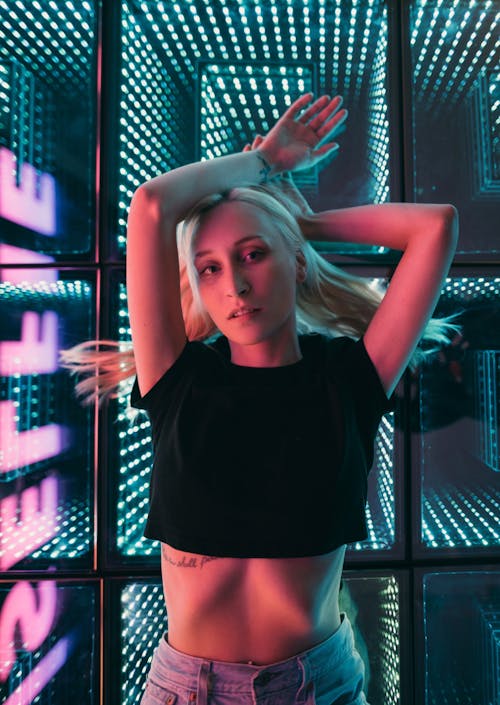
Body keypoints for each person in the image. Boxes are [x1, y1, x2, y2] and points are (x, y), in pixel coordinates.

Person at [61, 93, 459, 704]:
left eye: (254, 253)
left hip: (316, 687)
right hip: (186, 691)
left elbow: (435, 226)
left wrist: (299, 221)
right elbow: (151, 206)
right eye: (211, 269)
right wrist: (264, 162)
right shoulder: (177, 377)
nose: (237, 284)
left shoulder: (349, 377)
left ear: (296, 265)